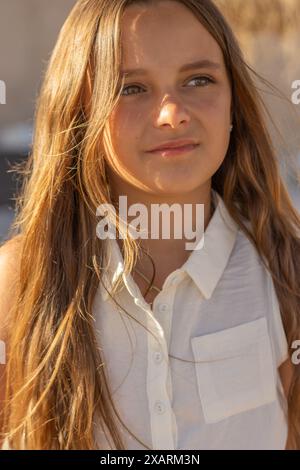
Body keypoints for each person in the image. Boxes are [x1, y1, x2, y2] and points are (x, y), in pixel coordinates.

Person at [0, 0, 299, 450]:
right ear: (81, 112)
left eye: (199, 80)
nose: (172, 113)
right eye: (132, 88)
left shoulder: (285, 276)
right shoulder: (20, 282)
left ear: (234, 102)